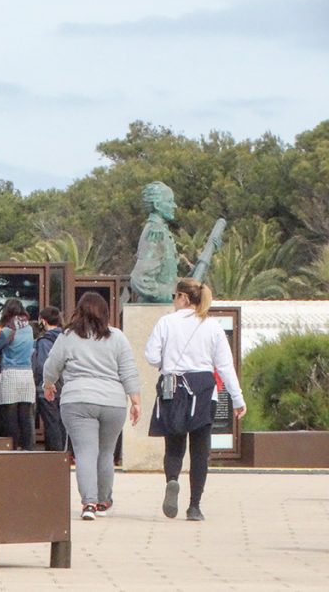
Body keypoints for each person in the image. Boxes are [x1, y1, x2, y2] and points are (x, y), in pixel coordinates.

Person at [145, 278, 246, 522]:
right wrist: (237, 398)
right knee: (200, 450)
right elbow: (224, 366)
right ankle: (194, 506)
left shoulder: (166, 323)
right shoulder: (211, 326)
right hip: (203, 390)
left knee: (174, 445)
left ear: (183, 297)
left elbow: (151, 355)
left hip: (173, 388)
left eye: (174, 296)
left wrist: (165, 365)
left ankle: (172, 480)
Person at [43, 292, 142, 520]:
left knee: (85, 452)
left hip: (77, 400)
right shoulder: (117, 337)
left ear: (79, 311)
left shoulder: (67, 336)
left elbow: (52, 365)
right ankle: (104, 500)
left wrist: (48, 385)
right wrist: (135, 401)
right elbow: (128, 371)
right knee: (106, 453)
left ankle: (88, 504)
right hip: (113, 402)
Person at [0, 298, 36, 450]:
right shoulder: (29, 328)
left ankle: (13, 446)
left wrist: (0, 356)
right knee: (25, 413)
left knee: (10, 414)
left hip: (11, 373)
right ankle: (28, 447)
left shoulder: (7, 330)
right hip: (27, 374)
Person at [130, 181, 178, 303]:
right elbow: (139, 279)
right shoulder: (156, 233)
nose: (174, 206)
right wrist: (170, 295)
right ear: (157, 205)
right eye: (169, 201)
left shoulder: (161, 231)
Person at [33, 306, 66, 451]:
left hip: (47, 388)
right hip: (65, 387)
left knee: (51, 423)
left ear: (44, 321)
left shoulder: (44, 341)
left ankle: (55, 455)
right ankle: (66, 453)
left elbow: (42, 365)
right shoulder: (66, 338)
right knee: (63, 423)